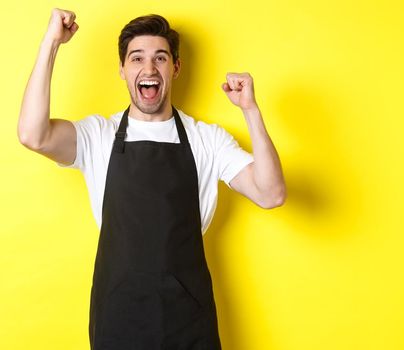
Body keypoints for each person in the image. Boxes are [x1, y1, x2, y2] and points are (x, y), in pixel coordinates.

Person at [17, 8, 286, 349]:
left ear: (175, 68)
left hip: (189, 320)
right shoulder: (98, 135)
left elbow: (271, 194)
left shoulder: (207, 139)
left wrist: (250, 110)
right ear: (122, 70)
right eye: (137, 58)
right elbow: (32, 134)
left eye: (160, 58)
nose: (149, 69)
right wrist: (51, 42)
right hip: (118, 317)